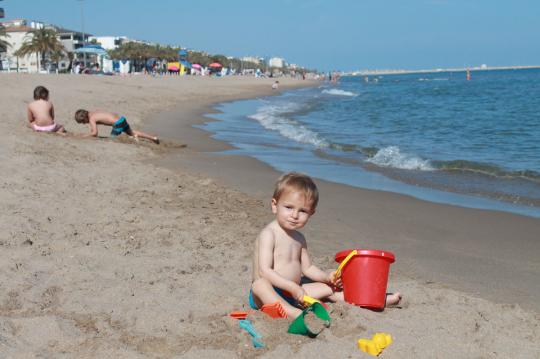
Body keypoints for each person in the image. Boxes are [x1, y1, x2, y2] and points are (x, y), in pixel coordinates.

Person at [250, 172, 401, 319]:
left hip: (294, 293)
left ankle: (374, 301)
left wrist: (326, 277)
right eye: (288, 207)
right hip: (267, 295)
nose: (295, 215)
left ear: (311, 213)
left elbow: (307, 268)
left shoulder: (299, 238)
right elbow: (265, 271)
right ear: (275, 205)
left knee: (330, 288)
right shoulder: (269, 234)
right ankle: (293, 313)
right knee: (259, 284)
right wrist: (292, 287)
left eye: (302, 211)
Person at [74, 109, 159, 144]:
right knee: (131, 132)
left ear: (84, 117)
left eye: (83, 122)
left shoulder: (92, 118)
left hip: (117, 123)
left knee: (112, 140)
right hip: (122, 119)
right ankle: (153, 138)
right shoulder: (94, 112)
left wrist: (84, 136)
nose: (84, 124)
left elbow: (95, 133)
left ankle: (133, 139)